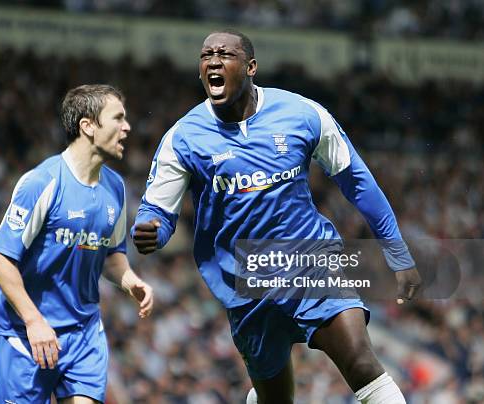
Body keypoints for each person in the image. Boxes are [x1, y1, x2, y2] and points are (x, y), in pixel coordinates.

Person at [132, 30, 422, 404]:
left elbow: (358, 183)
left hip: (311, 261)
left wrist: (397, 252)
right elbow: (158, 210)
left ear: (251, 67)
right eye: (207, 55)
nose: (214, 61)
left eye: (226, 54)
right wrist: (153, 230)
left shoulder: (303, 114)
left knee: (363, 366)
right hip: (245, 285)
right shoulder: (183, 138)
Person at [0, 84, 153, 404]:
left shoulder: (116, 188)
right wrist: (34, 321)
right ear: (88, 126)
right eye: (118, 118)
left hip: (84, 334)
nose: (127, 127)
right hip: (27, 335)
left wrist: (130, 280)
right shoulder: (42, 183)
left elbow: (111, 255)